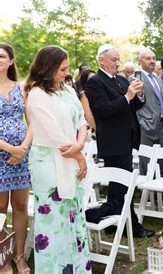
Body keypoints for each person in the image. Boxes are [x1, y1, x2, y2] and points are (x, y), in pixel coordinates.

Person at [25, 45, 90, 273]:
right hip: (49, 164)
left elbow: (82, 122)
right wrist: (79, 155)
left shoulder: (69, 91)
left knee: (75, 216)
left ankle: (78, 268)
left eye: (67, 68)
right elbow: (52, 132)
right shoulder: (36, 94)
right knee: (54, 221)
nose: (66, 73)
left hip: (71, 158)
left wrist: (80, 146)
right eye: (62, 69)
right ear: (48, 68)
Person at [85, 44, 154, 238]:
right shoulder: (95, 82)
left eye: (118, 59)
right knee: (122, 187)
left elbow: (135, 105)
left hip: (127, 140)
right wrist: (128, 96)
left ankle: (114, 223)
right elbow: (103, 111)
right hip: (113, 143)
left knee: (119, 188)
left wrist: (138, 94)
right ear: (102, 61)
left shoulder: (121, 80)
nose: (118, 63)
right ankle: (129, 225)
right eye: (114, 60)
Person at [0, 43, 32, 274]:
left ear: (11, 61)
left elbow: (32, 122)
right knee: (0, 207)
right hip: (1, 153)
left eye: (1, 56)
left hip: (21, 156)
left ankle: (20, 257)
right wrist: (9, 148)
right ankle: (3, 258)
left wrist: (22, 148)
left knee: (20, 205)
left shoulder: (21, 89)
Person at [136, 48, 163, 177]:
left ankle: (161, 196)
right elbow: (135, 104)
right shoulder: (135, 79)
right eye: (148, 58)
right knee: (147, 163)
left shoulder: (159, 79)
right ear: (140, 61)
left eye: (153, 58)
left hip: (162, 126)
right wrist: (141, 122)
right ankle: (146, 194)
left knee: (162, 161)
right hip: (146, 126)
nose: (152, 61)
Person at [78, 69, 96, 141]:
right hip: (91, 131)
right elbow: (89, 117)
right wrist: (99, 130)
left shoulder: (98, 92)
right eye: (91, 79)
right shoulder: (84, 95)